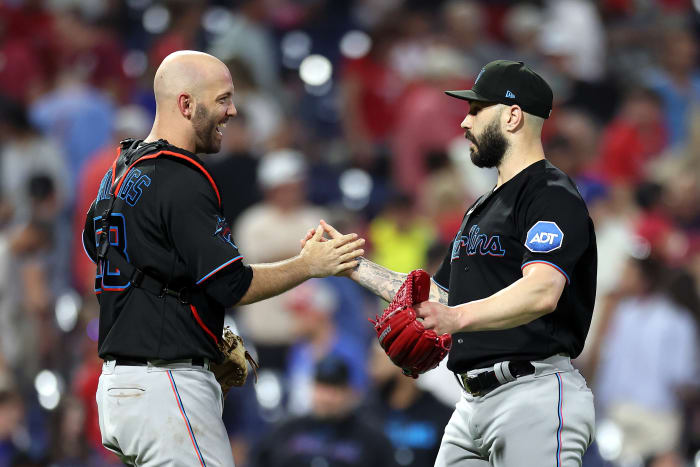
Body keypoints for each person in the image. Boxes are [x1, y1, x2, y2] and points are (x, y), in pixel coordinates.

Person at [80, 50, 364, 467]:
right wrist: (309, 264)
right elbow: (234, 284)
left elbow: (96, 249)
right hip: (167, 385)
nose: (232, 111)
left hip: (120, 387)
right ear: (186, 104)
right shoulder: (181, 177)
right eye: (223, 99)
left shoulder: (120, 170)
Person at [309, 60, 597, 466]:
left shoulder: (550, 194)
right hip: (472, 403)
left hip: (533, 393)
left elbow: (543, 290)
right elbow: (437, 297)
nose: (464, 121)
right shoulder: (481, 207)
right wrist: (353, 265)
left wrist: (456, 317)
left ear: (513, 116)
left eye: (477, 109)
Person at [252, 353, 398, 467]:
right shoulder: (285, 431)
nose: (327, 397)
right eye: (322, 388)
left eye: (335, 389)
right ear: (312, 388)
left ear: (349, 392)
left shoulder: (372, 440)